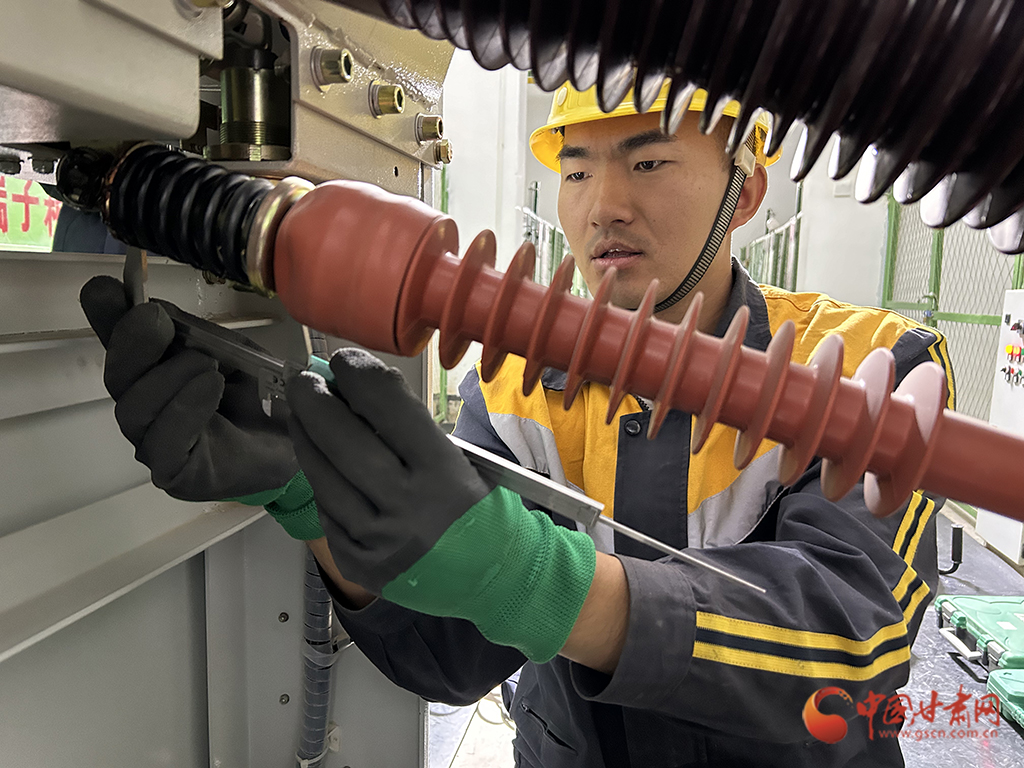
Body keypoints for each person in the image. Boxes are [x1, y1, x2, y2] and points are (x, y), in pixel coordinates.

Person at [80, 81, 954, 767]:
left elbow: (850, 649)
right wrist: (310, 497)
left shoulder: (875, 364)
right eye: (575, 171)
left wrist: (533, 577)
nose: (603, 206)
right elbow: (448, 657)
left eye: (649, 162)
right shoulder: (513, 388)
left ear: (746, 189)